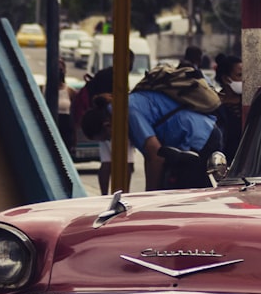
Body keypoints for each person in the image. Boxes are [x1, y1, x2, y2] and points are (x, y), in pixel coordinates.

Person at [82, 88, 221, 191]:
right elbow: (150, 157)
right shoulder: (121, 109)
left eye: (108, 138)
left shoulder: (127, 110)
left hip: (200, 138)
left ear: (107, 125)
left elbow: (155, 156)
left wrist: (149, 196)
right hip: (190, 141)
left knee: (190, 192)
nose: (112, 141)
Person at [81, 59, 136, 194]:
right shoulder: (118, 76)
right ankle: (124, 192)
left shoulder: (102, 74)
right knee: (127, 162)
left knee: (106, 162)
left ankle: (104, 193)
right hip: (114, 123)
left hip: (101, 120)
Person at [214, 54, 244, 160]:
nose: (244, 80)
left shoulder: (252, 101)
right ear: (226, 79)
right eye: (240, 75)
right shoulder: (215, 106)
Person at [56, 60, 76, 153]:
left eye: (61, 69)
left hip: (65, 128)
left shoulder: (70, 91)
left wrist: (74, 139)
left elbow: (75, 114)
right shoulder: (44, 89)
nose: (59, 72)